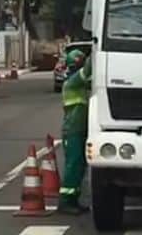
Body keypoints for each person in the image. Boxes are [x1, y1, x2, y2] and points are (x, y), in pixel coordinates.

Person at [58, 47, 93, 214]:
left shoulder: (78, 83)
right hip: (72, 130)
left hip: (78, 130)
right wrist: (96, 50)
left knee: (79, 166)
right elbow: (88, 71)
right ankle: (65, 202)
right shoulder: (72, 82)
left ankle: (74, 199)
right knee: (73, 165)